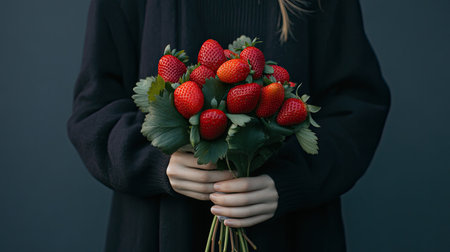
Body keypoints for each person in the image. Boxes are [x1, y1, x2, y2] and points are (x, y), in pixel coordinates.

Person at [67, 0, 390, 251]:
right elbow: (93, 108)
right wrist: (155, 161)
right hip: (159, 234)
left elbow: (358, 106)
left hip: (293, 235)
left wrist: (293, 179)